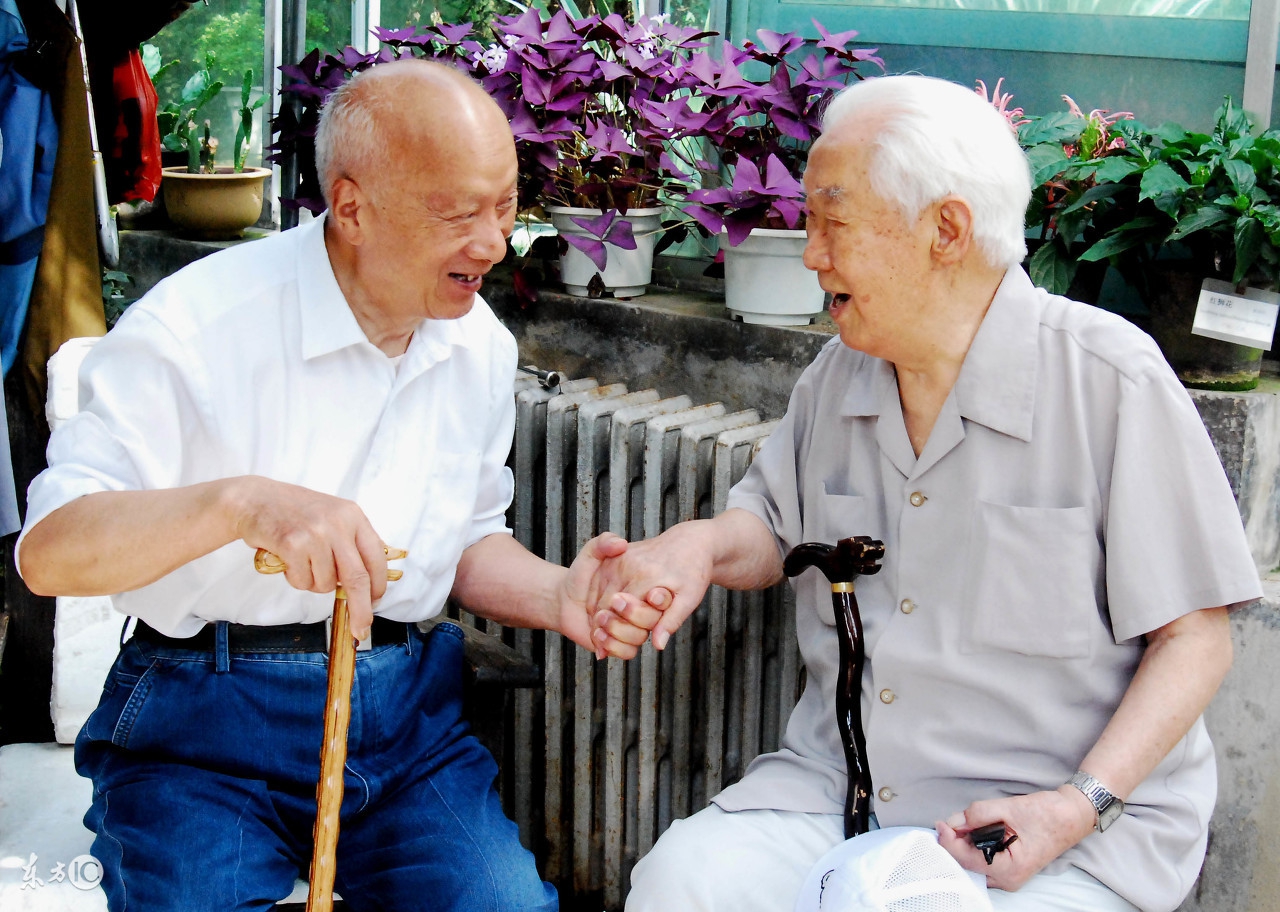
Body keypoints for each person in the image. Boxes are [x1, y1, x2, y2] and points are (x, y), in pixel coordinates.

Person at [589, 75, 1262, 912]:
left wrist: (1073, 807)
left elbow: (1196, 639)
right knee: (680, 883)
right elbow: (769, 528)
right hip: (848, 793)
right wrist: (695, 547)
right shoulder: (839, 374)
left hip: (1058, 831)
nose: (810, 253)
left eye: (833, 222)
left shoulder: (1109, 380)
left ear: (946, 229)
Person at [16, 59, 638, 912]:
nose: (493, 243)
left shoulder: (477, 345)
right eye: (458, 213)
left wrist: (563, 592)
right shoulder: (192, 328)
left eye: (504, 206)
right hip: (200, 725)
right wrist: (243, 505)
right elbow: (51, 554)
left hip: (407, 724)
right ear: (351, 207)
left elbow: (460, 540)